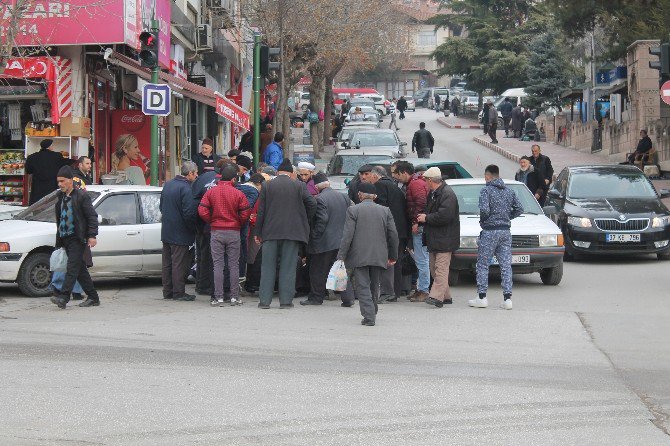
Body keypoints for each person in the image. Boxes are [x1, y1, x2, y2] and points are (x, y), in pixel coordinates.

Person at [255, 159, 317, 309]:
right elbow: (312, 204)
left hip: (270, 233)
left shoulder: (266, 185)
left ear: (277, 173)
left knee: (268, 267)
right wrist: (303, 218)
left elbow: (261, 211)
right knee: (288, 267)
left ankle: (264, 301)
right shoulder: (299, 186)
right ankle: (285, 301)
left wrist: (258, 232)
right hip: (292, 233)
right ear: (292, 174)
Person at [337, 182, 399, 326]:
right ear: (375, 196)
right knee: (374, 285)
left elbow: (347, 235)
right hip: (379, 254)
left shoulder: (353, 210)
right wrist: (393, 255)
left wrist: (341, 255)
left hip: (359, 254)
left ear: (359, 195)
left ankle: (369, 316)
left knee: (362, 285)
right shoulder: (385, 211)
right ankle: (372, 310)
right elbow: (393, 234)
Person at [469, 165, 522, 310]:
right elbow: (520, 208)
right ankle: (507, 299)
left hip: (490, 231)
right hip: (505, 231)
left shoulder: (486, 191)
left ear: (488, 176)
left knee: (483, 264)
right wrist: (506, 217)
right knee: (505, 265)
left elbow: (484, 210)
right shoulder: (509, 191)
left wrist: (485, 220)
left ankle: (482, 297)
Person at [198, 164, 251, 307]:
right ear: (234, 179)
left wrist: (212, 220)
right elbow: (246, 212)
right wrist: (237, 222)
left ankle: (218, 297)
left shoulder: (211, 192)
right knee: (234, 265)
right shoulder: (238, 194)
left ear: (220, 177)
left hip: (216, 231)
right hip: (233, 232)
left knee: (217, 265)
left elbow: (202, 210)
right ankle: (234, 297)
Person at [49, 166, 100, 309]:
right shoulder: (61, 197)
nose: (60, 184)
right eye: (58, 181)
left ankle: (63, 297)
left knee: (71, 268)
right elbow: (60, 219)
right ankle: (93, 297)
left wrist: (92, 235)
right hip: (65, 238)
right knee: (80, 271)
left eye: (62, 181)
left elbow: (92, 216)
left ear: (70, 181)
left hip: (77, 238)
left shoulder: (81, 196)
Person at [301, 172, 354, 306]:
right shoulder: (343, 197)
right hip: (340, 241)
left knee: (317, 270)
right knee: (340, 270)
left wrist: (314, 236)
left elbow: (322, 220)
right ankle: (348, 298)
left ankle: (316, 298)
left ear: (317, 187)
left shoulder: (320, 199)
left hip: (324, 242)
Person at [363, 166, 408, 303]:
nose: (368, 179)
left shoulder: (380, 186)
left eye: (369, 176)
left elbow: (381, 208)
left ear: (375, 176)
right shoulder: (394, 186)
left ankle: (388, 292)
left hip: (390, 229)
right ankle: (396, 291)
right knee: (396, 259)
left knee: (388, 260)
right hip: (401, 229)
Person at [416, 167, 460, 308]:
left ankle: (436, 297)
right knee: (435, 269)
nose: (425, 184)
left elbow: (445, 216)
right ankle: (446, 296)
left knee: (440, 269)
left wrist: (426, 218)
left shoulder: (447, 194)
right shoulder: (434, 193)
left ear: (430, 180)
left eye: (425, 181)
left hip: (445, 238)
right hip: (435, 238)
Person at [391, 160, 430, 302]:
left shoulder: (415, 184)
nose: (395, 177)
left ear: (404, 173)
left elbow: (421, 203)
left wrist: (415, 222)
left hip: (419, 227)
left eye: (396, 173)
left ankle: (424, 290)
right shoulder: (414, 183)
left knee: (421, 260)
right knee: (420, 259)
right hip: (417, 226)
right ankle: (420, 289)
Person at [160, 161, 198, 301]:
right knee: (179, 263)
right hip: (180, 232)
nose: (197, 176)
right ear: (190, 174)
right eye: (196, 173)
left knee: (167, 263)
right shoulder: (186, 189)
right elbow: (189, 213)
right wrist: (193, 229)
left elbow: (161, 206)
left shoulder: (168, 184)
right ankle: (178, 293)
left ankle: (168, 291)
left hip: (167, 230)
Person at [25, 139, 71, 205]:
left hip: (37, 187)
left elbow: (28, 171)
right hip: (52, 186)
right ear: (50, 146)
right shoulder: (57, 156)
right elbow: (65, 166)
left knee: (37, 207)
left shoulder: (31, 157)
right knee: (51, 206)